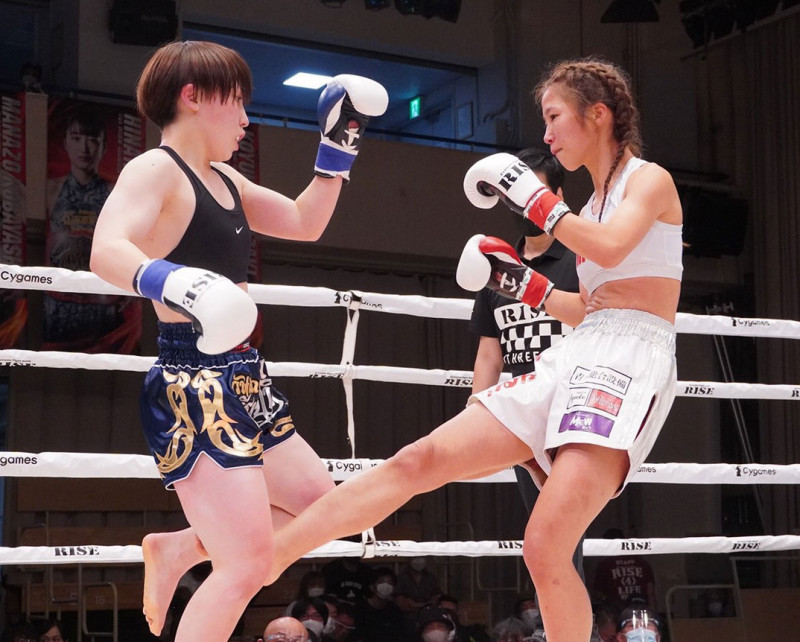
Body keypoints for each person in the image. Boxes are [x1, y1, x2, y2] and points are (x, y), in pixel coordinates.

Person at [265, 56, 683, 642]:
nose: (546, 134)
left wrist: (534, 198)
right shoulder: (589, 207)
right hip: (579, 351)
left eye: (554, 117)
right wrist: (520, 283)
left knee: (545, 547)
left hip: (629, 362)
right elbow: (589, 309)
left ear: (598, 114)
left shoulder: (649, 180)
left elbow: (612, 249)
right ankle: (270, 555)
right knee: (417, 461)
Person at [89, 40, 387, 642]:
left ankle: (182, 548)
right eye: (238, 102)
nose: (248, 118)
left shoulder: (225, 178)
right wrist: (179, 281)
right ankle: (189, 553)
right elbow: (105, 250)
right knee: (245, 566)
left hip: (245, 373)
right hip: (191, 378)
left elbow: (304, 222)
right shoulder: (155, 170)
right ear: (194, 97)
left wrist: (339, 144)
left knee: (323, 508)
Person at [45, 105, 140, 352]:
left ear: (104, 146)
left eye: (92, 139)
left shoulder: (116, 193)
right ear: (66, 143)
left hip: (103, 308)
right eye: (76, 139)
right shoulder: (51, 190)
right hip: (58, 309)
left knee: (110, 371)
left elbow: (133, 243)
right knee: (50, 371)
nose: (84, 148)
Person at [592, 529, 657, 611]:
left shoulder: (604, 565)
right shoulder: (642, 563)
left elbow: (598, 594)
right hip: (640, 609)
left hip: (615, 612)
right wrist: (653, 614)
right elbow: (650, 593)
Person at [352, 567, 406, 642]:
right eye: (381, 582)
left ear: (393, 589)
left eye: (390, 583)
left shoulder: (395, 611)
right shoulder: (359, 610)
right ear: (372, 587)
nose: (385, 586)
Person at [394, 557, 441, 634]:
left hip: (428, 619)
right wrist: (425, 605)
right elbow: (401, 603)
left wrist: (415, 605)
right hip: (406, 621)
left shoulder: (432, 577)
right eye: (416, 557)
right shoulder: (401, 578)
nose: (419, 560)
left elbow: (436, 600)